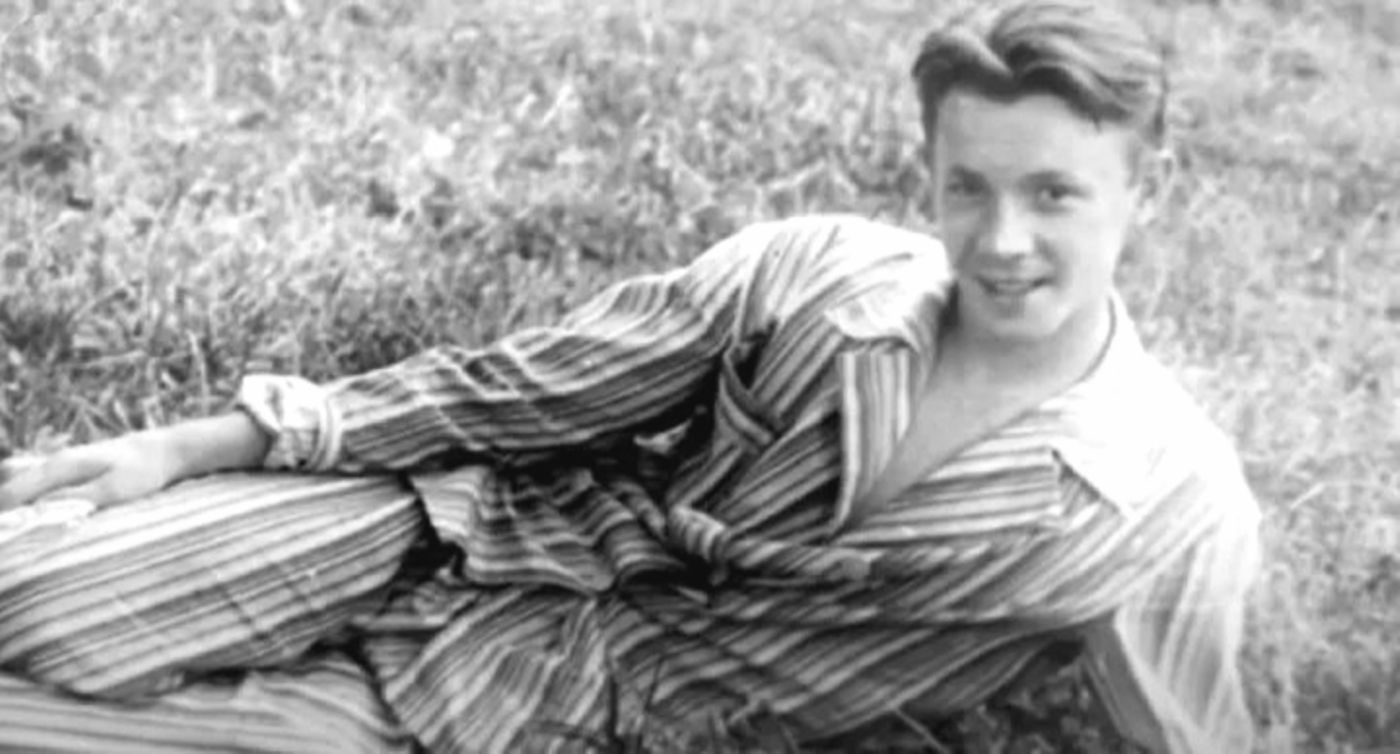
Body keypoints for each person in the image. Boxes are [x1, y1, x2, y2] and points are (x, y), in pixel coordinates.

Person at [0, 0, 1261, 751]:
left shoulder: (1171, 504)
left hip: (546, 708)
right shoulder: (818, 270)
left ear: (1139, 190)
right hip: (449, 529)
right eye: (966, 187)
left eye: (1053, 195)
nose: (1000, 240)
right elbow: (520, 391)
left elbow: (1200, 728)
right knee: (39, 587)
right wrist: (190, 446)